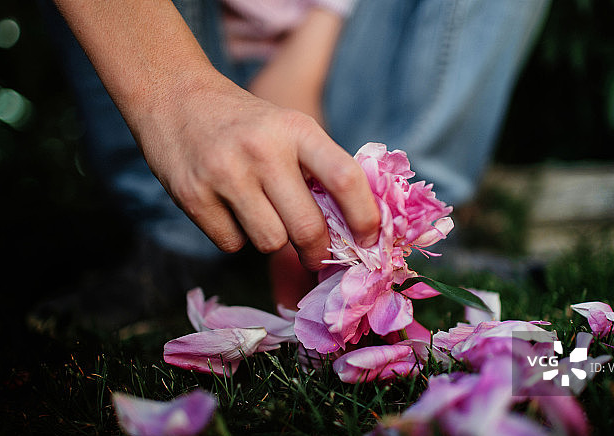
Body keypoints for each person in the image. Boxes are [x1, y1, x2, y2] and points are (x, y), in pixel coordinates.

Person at [39, 0, 549, 327]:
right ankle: (176, 236)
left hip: (359, 64)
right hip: (185, 46)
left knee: (390, 202)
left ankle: (406, 233)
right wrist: (182, 92)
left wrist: (319, 34)